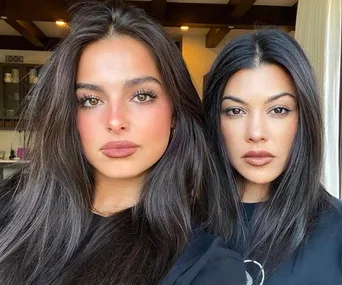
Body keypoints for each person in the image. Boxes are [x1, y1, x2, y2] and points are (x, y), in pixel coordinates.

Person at [0, 2, 247, 285]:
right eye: (90, 100)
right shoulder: (10, 213)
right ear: (67, 114)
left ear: (175, 113)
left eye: (141, 95)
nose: (115, 121)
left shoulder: (206, 267)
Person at [203, 28, 342, 284]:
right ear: (215, 120)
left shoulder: (337, 229)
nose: (256, 133)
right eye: (235, 111)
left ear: (304, 118)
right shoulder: (179, 222)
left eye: (278, 109)